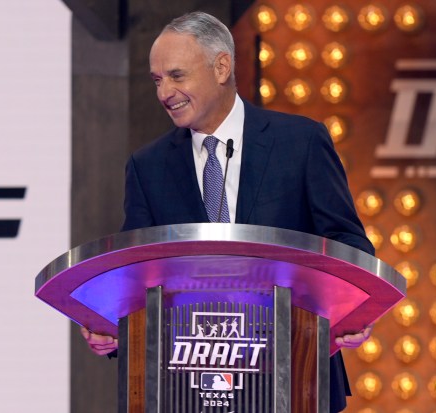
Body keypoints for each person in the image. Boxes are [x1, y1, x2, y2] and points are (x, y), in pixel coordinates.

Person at [80, 11, 373, 412]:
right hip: (186, 386)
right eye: (157, 80)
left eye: (177, 76)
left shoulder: (300, 142)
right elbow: (136, 272)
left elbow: (348, 243)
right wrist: (113, 324)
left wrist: (350, 311)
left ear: (221, 67)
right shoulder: (147, 166)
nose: (165, 92)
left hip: (297, 375)